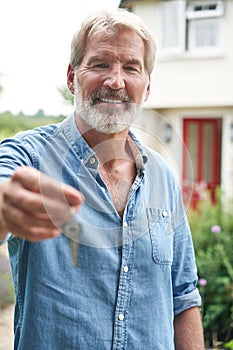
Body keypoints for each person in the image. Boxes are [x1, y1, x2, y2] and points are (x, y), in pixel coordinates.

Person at [0, 9, 204, 349]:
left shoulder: (163, 177)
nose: (116, 81)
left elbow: (182, 297)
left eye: (131, 67)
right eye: (100, 64)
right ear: (72, 77)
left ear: (147, 87)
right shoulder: (30, 156)